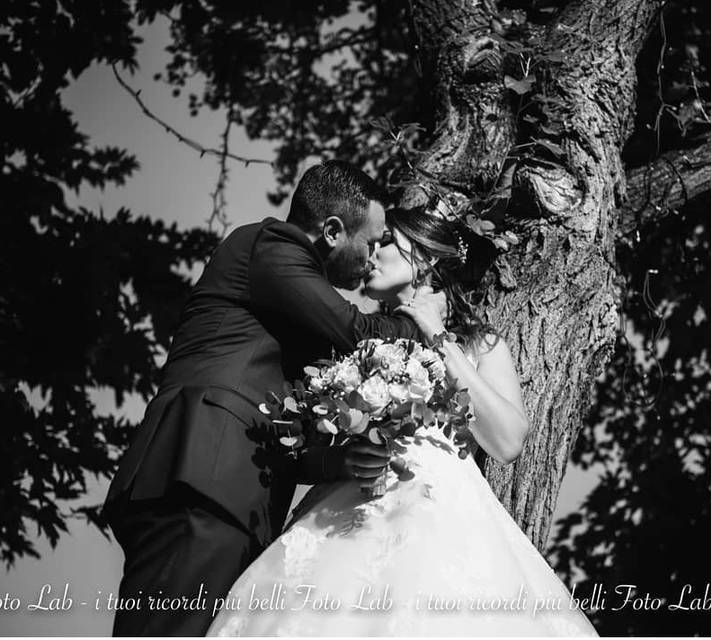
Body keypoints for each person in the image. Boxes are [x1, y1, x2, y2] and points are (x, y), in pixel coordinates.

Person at [206, 205, 598, 636]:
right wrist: (346, 453)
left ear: (427, 259)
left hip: (437, 508)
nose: (371, 255)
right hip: (345, 505)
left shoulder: (480, 343)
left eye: (386, 242)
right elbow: (303, 449)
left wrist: (436, 335)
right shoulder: (347, 343)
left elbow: (507, 442)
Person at [103, 161, 445, 636]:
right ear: (331, 231)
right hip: (200, 477)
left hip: (235, 495)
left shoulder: (289, 308)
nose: (372, 256)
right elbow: (355, 332)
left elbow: (293, 430)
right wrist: (420, 320)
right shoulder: (272, 246)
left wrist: (341, 463)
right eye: (370, 241)